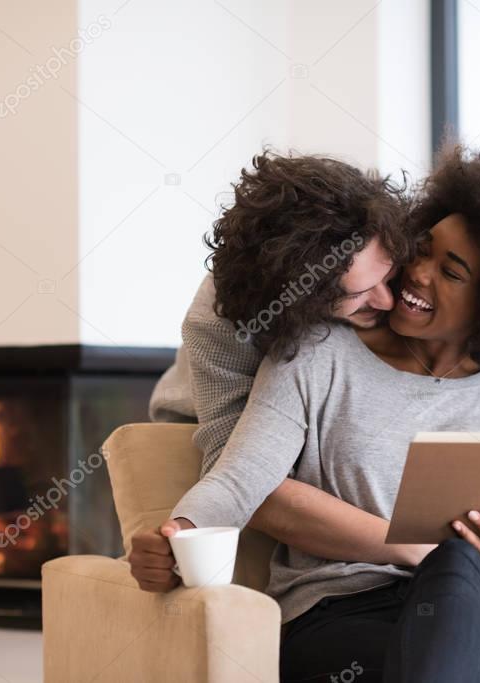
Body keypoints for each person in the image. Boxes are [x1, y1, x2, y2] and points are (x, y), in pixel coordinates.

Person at [138, 146, 480, 682]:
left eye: (449, 272)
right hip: (343, 614)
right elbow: (240, 476)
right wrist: (180, 530)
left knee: (456, 563)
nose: (414, 275)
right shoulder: (313, 354)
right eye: (421, 251)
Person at [136, 149, 427, 592]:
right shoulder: (218, 324)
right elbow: (245, 483)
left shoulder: (375, 243)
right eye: (361, 293)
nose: (388, 303)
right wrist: (410, 547)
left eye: (388, 279)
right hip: (200, 418)